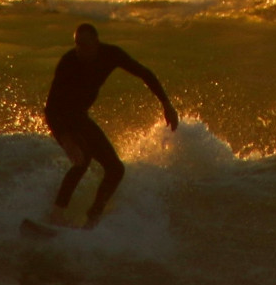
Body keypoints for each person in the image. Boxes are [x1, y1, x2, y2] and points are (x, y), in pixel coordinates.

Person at [44, 23, 178, 228]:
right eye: (77, 45)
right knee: (82, 160)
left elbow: (144, 73)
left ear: (96, 43)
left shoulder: (110, 55)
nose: (81, 50)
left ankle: (93, 218)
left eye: (85, 45)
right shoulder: (68, 62)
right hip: (62, 119)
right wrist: (65, 139)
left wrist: (166, 103)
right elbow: (51, 109)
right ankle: (56, 216)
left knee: (115, 169)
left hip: (80, 117)